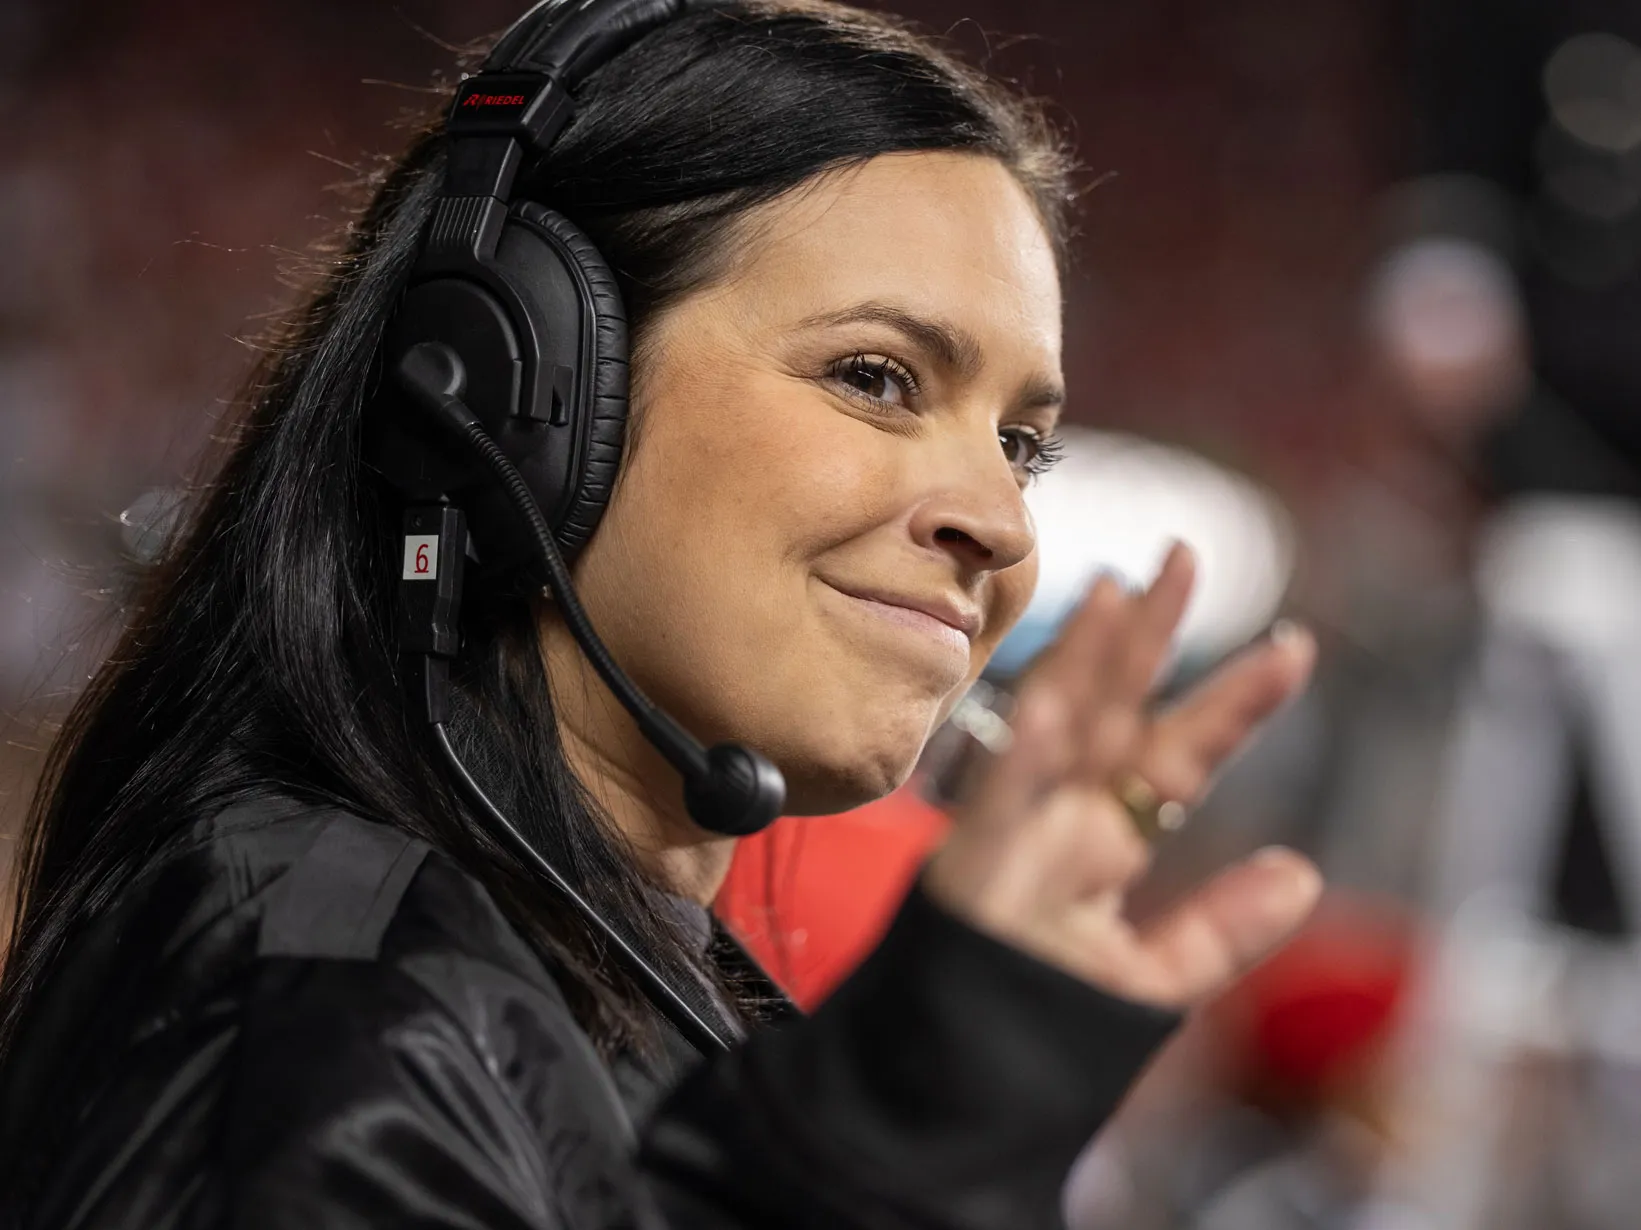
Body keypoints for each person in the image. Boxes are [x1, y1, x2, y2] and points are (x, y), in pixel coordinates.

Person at [0, 2, 1321, 1226]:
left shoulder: (557, 968)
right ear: (515, 392)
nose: (1005, 523)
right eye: (875, 376)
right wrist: (888, 1142)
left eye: (1024, 444)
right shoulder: (330, 1015)